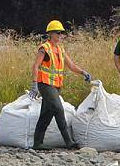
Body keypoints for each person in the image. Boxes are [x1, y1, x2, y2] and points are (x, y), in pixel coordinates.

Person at [31, 19, 91, 150]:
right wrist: (34, 85)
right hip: (45, 84)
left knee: (46, 114)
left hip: (56, 86)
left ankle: (37, 143)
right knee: (58, 108)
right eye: (58, 33)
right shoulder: (44, 48)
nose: (60, 35)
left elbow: (71, 66)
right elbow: (35, 66)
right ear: (51, 34)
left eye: (61, 33)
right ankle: (68, 141)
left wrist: (83, 72)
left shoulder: (60, 49)